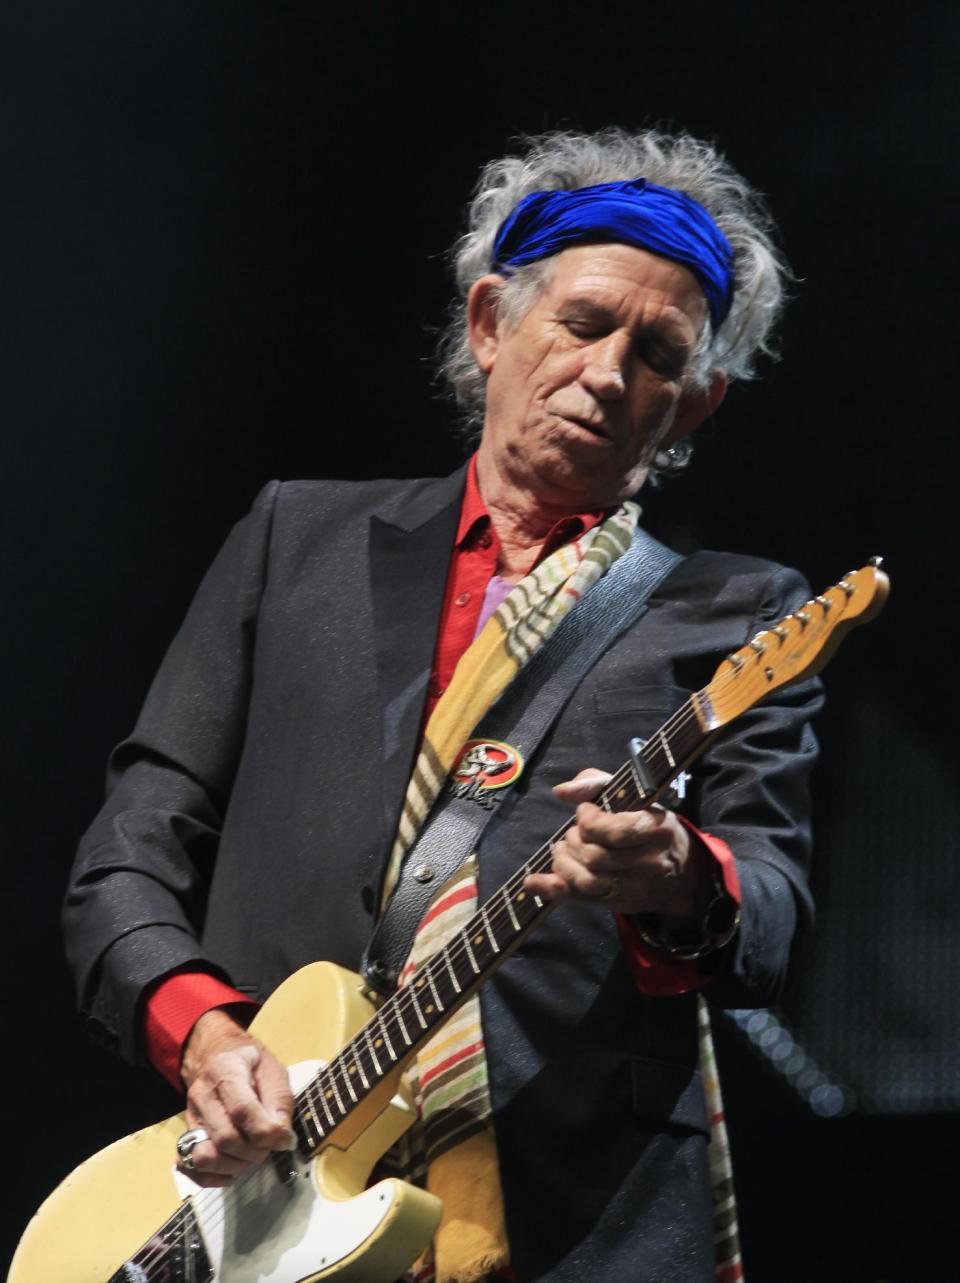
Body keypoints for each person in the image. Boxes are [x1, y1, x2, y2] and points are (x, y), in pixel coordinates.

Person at [64, 127, 821, 1283]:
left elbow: (771, 911)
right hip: (262, 1193)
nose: (610, 373)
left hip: (572, 1214)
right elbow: (127, 853)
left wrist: (674, 868)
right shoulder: (294, 537)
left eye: (658, 353)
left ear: (697, 404)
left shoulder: (743, 611)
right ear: (489, 326)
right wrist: (207, 1031)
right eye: (581, 324)